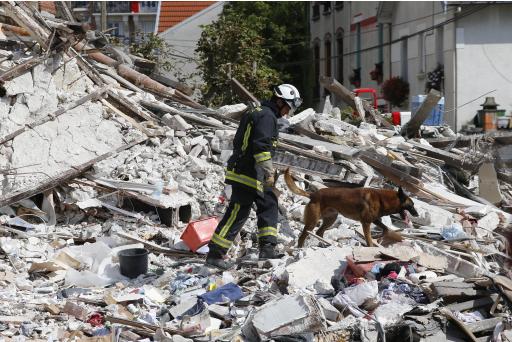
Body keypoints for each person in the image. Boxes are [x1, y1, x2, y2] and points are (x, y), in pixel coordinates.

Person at [205, 84, 302, 269]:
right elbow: (261, 147)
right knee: (238, 212)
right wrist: (269, 172)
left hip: (252, 171)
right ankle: (215, 254)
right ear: (280, 101)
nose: (288, 112)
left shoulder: (261, 112)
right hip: (247, 172)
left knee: (269, 203)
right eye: (288, 107)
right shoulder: (266, 116)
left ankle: (267, 248)